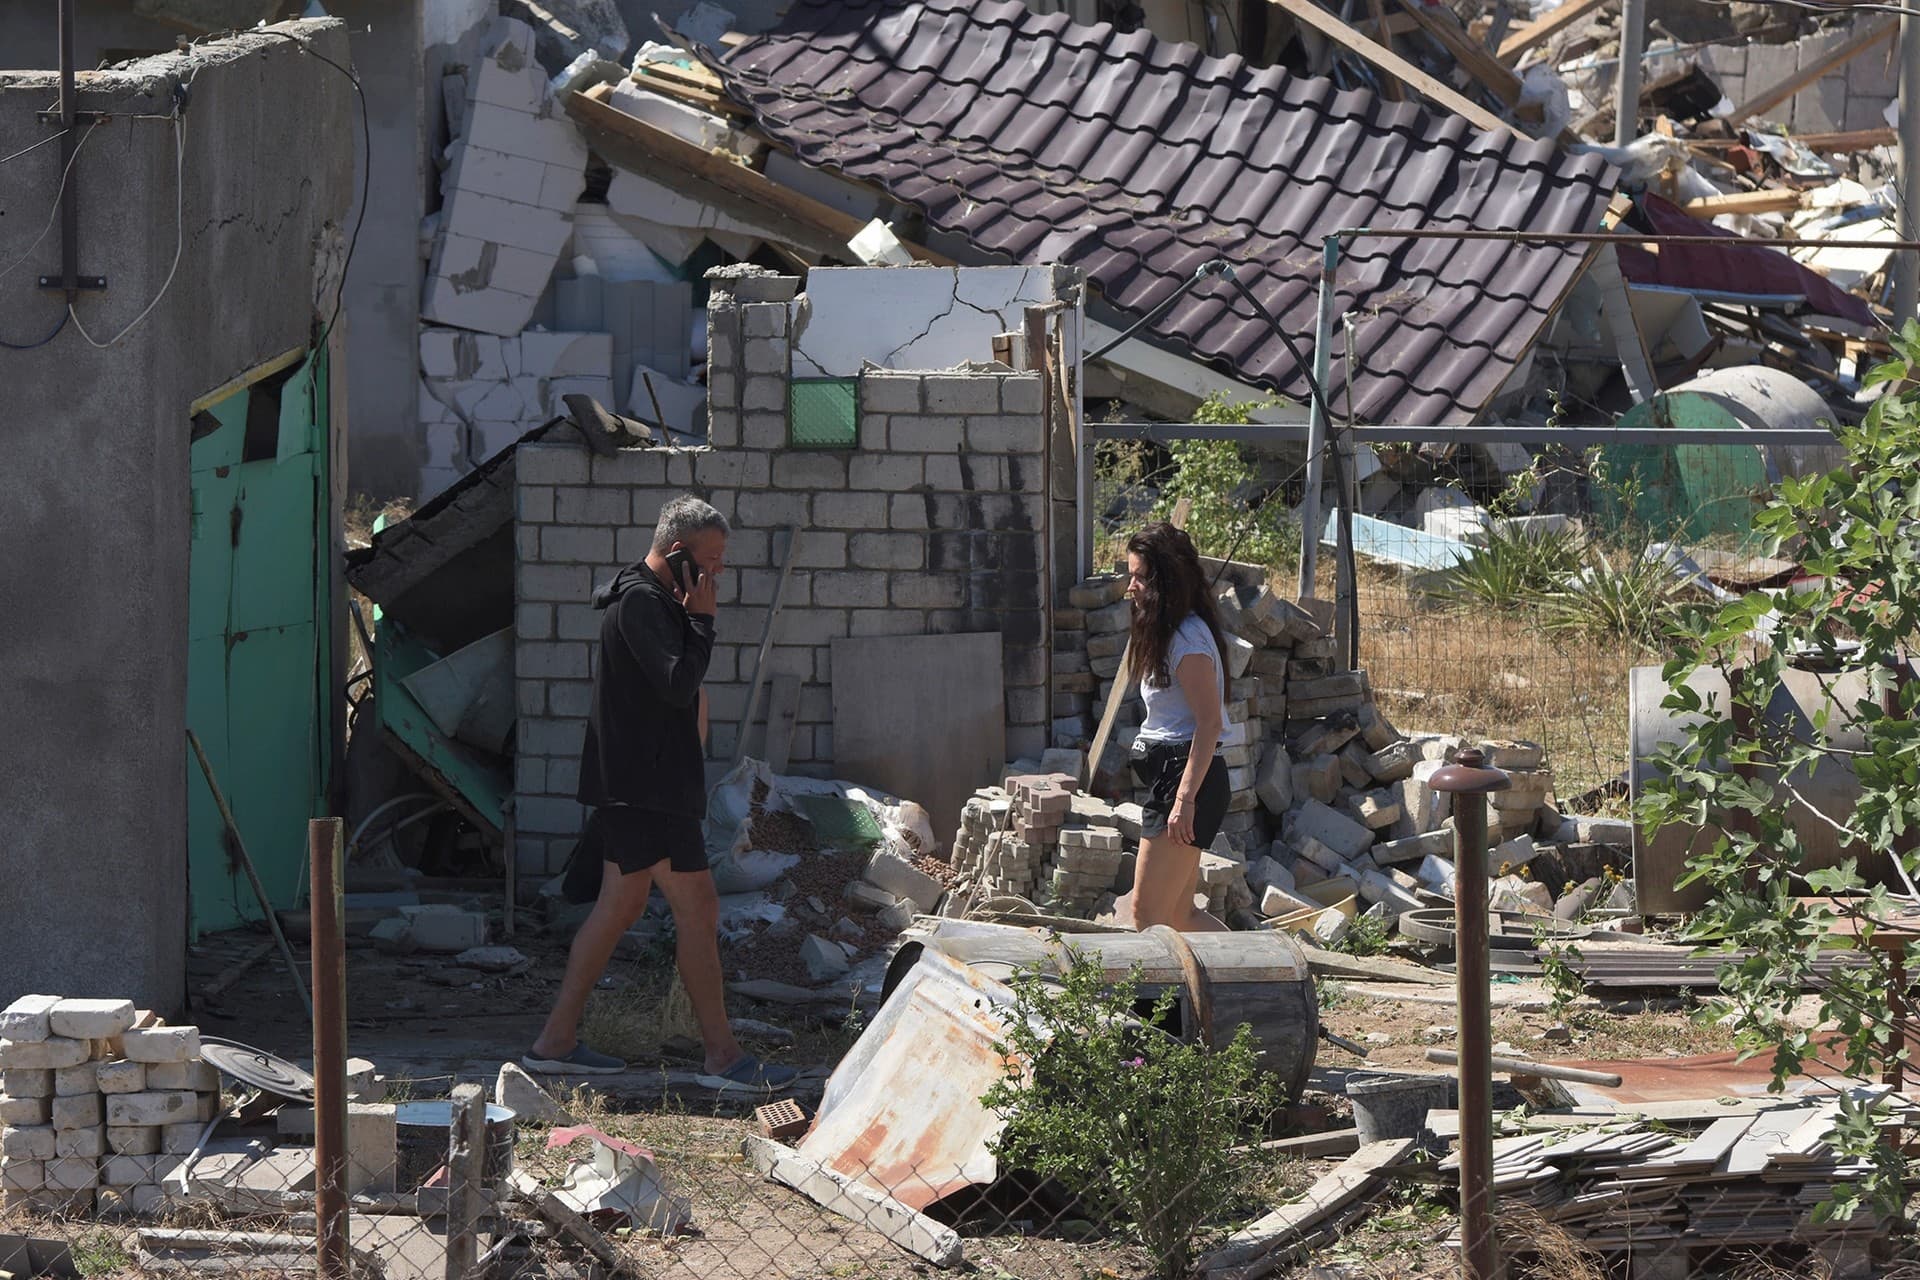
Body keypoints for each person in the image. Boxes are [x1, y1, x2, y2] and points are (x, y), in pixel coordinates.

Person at [526, 495, 798, 1088]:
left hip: (645, 786)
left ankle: (556, 1040)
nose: (718, 574)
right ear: (678, 554)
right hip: (646, 789)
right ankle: (722, 1058)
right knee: (696, 907)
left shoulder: (655, 602)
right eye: (712, 560)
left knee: (619, 906)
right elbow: (678, 684)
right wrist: (703, 622)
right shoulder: (642, 605)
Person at [1111, 522, 1233, 933]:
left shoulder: (1187, 639)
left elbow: (1210, 722)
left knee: (1146, 918)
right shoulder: (1168, 635)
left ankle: (1148, 1001)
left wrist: (1184, 800)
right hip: (1176, 780)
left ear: (1166, 581)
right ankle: (1256, 979)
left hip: (1184, 784)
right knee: (1181, 916)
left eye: (1141, 577)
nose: (1132, 587)